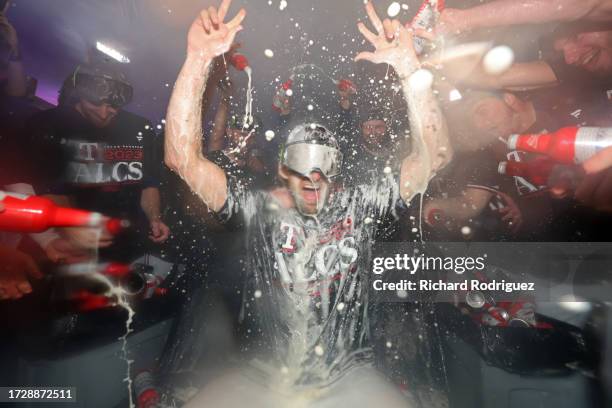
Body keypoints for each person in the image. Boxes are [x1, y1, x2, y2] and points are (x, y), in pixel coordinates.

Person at [163, 1, 451, 406]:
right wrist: (197, 59)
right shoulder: (256, 207)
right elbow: (181, 159)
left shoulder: (361, 204)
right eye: (301, 161)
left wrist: (409, 68)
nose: (314, 177)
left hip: (348, 375)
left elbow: (432, 159)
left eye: (325, 163)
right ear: (282, 168)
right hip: (261, 375)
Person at [25, 57, 170, 262]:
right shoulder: (49, 124)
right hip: (66, 246)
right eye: (95, 103)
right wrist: (71, 227)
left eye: (112, 106)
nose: (103, 113)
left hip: (124, 245)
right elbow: (45, 189)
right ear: (80, 95)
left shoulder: (138, 128)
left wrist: (155, 219)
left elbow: (148, 183)